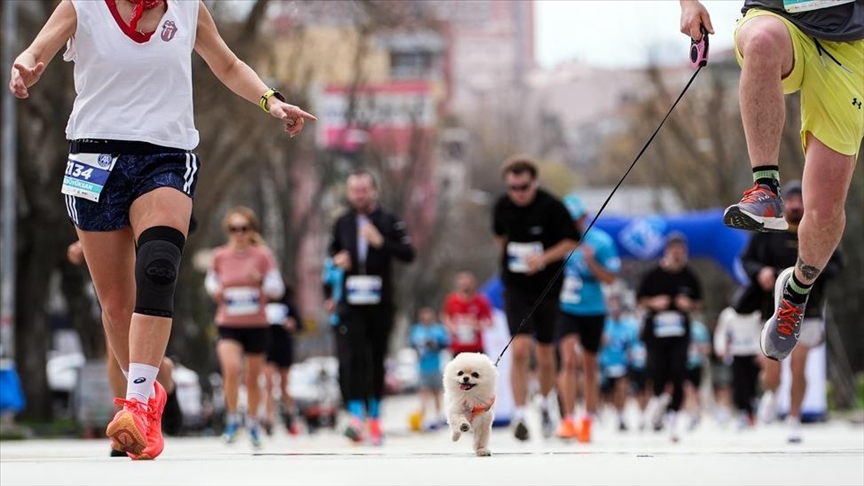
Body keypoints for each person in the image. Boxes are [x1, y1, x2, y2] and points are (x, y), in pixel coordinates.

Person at [10, 0, 315, 459]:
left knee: (157, 268)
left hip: (166, 155)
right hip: (93, 158)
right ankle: (154, 380)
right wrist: (26, 65)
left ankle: (139, 405)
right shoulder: (83, 4)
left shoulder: (189, 8)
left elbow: (227, 63)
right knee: (116, 307)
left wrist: (271, 102)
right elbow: (39, 48)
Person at [679, 1, 863, 362]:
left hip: (850, 41)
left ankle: (797, 290)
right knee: (762, 39)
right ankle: (766, 188)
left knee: (825, 212)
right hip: (776, 16)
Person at [738, 181, 842, 442]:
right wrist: (759, 272)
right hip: (771, 308)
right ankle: (772, 393)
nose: (796, 205)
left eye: (800, 200)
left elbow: (837, 263)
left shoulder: (818, 228)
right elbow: (746, 260)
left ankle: (794, 418)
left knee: (799, 364)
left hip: (811, 309)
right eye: (792, 200)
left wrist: (813, 274)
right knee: (773, 369)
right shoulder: (768, 230)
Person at [491, 156, 579, 441]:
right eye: (512, 188)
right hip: (515, 286)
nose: (518, 193)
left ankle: (543, 402)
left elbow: (572, 240)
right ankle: (519, 414)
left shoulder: (552, 206)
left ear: (534, 182)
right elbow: (500, 238)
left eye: (523, 187)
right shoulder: (501, 207)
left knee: (544, 352)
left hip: (548, 286)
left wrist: (543, 259)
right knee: (518, 349)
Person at [329, 169, 416, 445]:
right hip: (351, 301)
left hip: (380, 300)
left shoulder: (388, 220)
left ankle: (375, 417)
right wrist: (338, 258)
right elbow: (331, 251)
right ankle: (356, 417)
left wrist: (381, 242)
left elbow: (408, 254)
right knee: (353, 356)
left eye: (364, 190)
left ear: (373, 191)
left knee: (376, 358)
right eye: (354, 190)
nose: (359, 195)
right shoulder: (342, 221)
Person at [205, 207, 286, 448]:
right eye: (234, 229)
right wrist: (215, 290)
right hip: (228, 322)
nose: (239, 233)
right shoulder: (220, 255)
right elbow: (210, 281)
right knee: (230, 370)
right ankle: (232, 420)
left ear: (252, 230)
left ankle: (252, 422)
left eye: (244, 228)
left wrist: (260, 281)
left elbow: (277, 288)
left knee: (253, 378)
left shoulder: (262, 255)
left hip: (256, 324)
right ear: (228, 231)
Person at [555, 194, 621, 442]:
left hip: (594, 310)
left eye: (575, 219)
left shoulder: (601, 241)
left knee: (590, 366)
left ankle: (587, 420)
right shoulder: (558, 241)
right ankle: (568, 419)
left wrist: (591, 261)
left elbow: (611, 278)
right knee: (569, 360)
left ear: (584, 218)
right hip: (566, 308)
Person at [637, 232, 703, 443]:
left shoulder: (690, 276)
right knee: (657, 370)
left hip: (680, 333)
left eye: (681, 251)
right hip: (656, 333)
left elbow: (700, 302)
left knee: (679, 371)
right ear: (667, 252)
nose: (677, 255)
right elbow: (639, 300)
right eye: (674, 251)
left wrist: (689, 305)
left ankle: (674, 416)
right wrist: (654, 303)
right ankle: (658, 399)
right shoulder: (652, 275)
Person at [262, 282, 303, 436]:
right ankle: (269, 418)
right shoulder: (262, 304)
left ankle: (290, 415)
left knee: (285, 384)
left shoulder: (288, 305)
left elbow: (300, 324)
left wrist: (292, 324)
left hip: (284, 346)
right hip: (267, 348)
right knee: (269, 385)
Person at [713, 305, 762, 429]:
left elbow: (762, 330)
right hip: (736, 352)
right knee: (739, 384)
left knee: (752, 384)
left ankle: (752, 410)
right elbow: (721, 331)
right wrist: (720, 348)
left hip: (753, 352)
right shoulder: (728, 314)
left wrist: (762, 351)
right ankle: (743, 413)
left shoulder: (757, 312)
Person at [597, 293, 639, 432]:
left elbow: (635, 345)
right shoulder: (603, 324)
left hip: (622, 363)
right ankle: (601, 413)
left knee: (621, 388)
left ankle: (620, 415)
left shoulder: (630, 326)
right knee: (606, 394)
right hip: (605, 364)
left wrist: (632, 353)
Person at [408, 307, 450, 431]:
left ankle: (438, 417)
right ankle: (423, 417)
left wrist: (434, 345)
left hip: (436, 366)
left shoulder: (438, 329)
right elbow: (411, 344)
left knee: (437, 392)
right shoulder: (416, 330)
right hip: (422, 367)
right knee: (424, 392)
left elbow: (445, 343)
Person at [441, 271, 493, 357]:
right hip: (458, 348)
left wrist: (478, 326)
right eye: (463, 284)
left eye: (467, 283)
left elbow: (489, 321)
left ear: (473, 284)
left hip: (476, 348)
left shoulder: (480, 300)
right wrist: (452, 327)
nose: (465, 286)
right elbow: (445, 317)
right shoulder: (452, 300)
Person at [683, 318, 711, 431]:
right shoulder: (681, 327)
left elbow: (707, 347)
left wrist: (700, 348)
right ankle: (691, 414)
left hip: (697, 363)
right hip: (684, 363)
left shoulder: (700, 328)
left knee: (696, 391)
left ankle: (697, 412)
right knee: (687, 390)